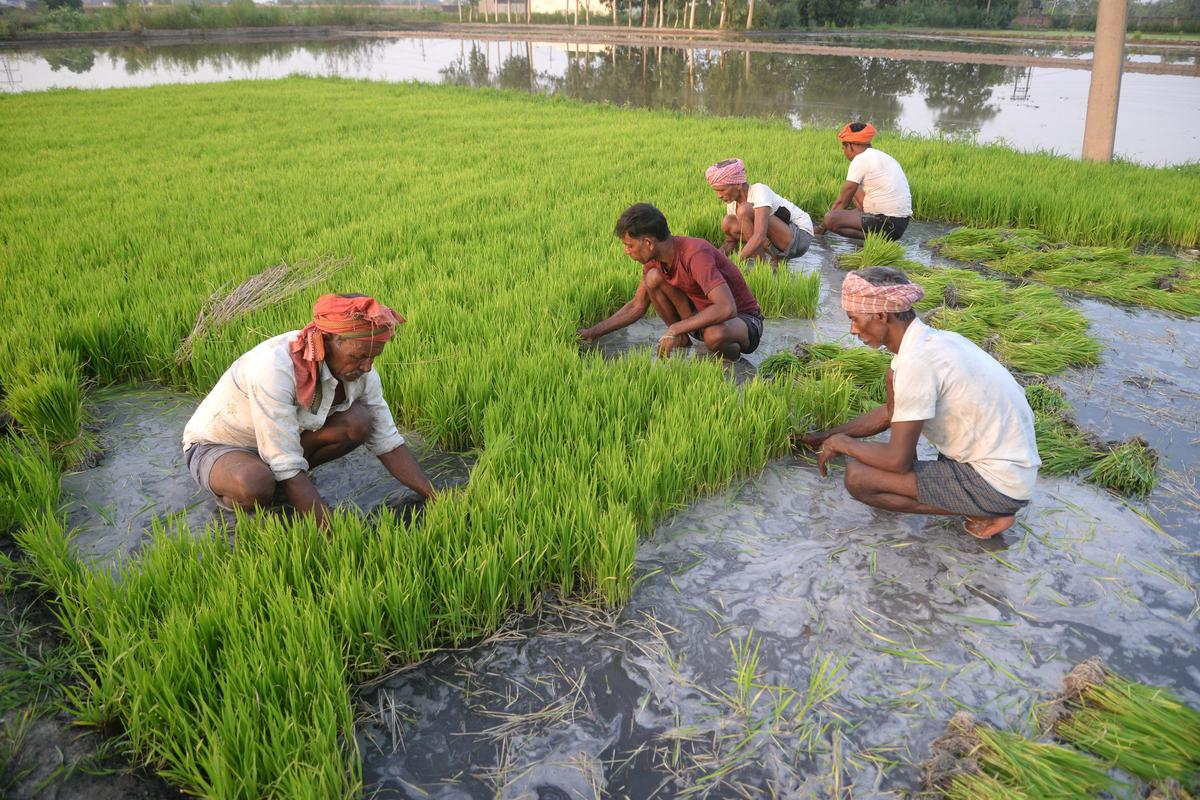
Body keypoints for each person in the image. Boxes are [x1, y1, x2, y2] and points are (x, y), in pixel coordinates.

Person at [802, 267, 1040, 539]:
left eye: (854, 319)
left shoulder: (918, 362)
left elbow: (896, 461)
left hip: (999, 483)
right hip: (1005, 468)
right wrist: (825, 436)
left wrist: (842, 444)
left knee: (858, 478)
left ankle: (988, 512)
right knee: (891, 379)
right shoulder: (932, 343)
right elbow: (890, 414)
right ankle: (978, 503)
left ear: (881, 315)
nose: (852, 330)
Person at [182, 293, 436, 527]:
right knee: (255, 484)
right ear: (329, 341)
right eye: (359, 356)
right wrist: (333, 531)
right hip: (222, 445)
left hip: (279, 440)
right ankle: (244, 502)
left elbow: (387, 440)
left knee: (358, 421)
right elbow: (284, 460)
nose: (368, 367)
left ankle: (286, 487)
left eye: (373, 358)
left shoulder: (362, 371)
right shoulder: (275, 367)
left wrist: (436, 498)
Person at [577, 203, 764, 361]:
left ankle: (730, 364)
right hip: (703, 318)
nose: (627, 251)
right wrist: (592, 333)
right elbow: (637, 306)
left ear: (649, 243)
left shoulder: (695, 253)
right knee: (653, 278)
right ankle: (683, 341)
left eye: (629, 245)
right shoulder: (654, 262)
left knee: (715, 335)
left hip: (742, 321)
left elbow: (726, 308)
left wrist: (675, 328)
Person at [706, 158, 814, 265]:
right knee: (728, 222)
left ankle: (760, 265)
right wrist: (713, 260)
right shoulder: (732, 204)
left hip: (799, 236)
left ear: (738, 185)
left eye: (722, 190)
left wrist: (735, 263)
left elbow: (759, 236)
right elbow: (731, 241)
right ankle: (770, 263)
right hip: (777, 238)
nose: (719, 195)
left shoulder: (759, 190)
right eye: (716, 191)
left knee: (744, 211)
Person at [817, 122, 913, 242]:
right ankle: (875, 240)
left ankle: (875, 240)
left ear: (849, 146)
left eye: (843, 147)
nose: (844, 151)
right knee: (855, 189)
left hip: (886, 222)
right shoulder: (884, 157)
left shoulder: (860, 159)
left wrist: (821, 228)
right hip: (900, 224)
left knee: (831, 218)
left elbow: (842, 202)